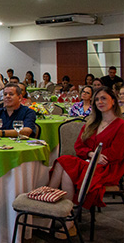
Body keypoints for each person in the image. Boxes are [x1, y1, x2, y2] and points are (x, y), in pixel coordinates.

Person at [48, 87, 124, 235]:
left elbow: (118, 152)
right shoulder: (92, 123)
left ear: (113, 101)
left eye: (103, 98)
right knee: (66, 165)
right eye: (96, 99)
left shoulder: (121, 125)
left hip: (108, 167)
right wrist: (90, 153)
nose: (99, 102)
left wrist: (97, 156)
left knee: (66, 163)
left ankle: (54, 212)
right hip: (90, 162)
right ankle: (66, 219)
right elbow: (79, 146)